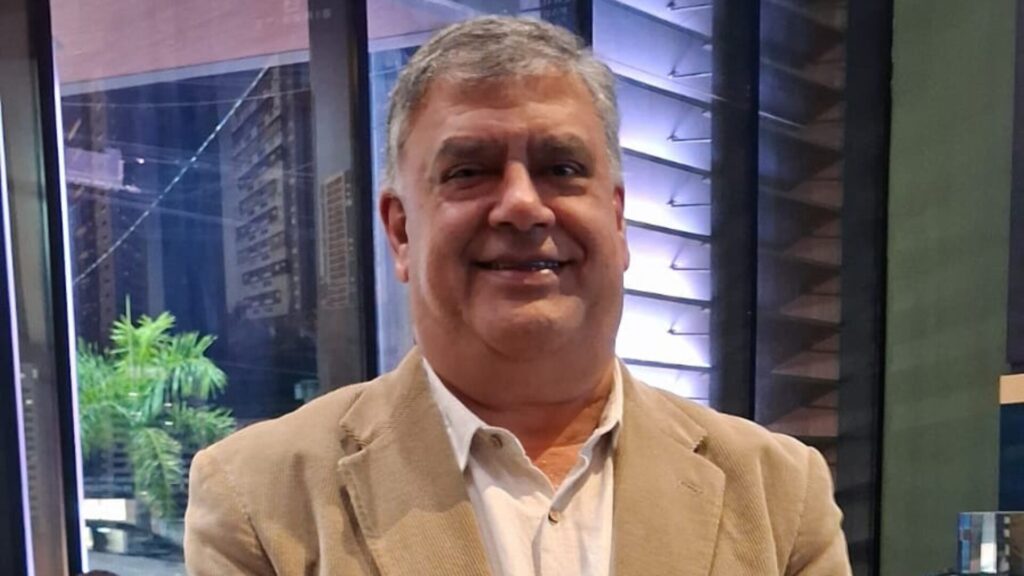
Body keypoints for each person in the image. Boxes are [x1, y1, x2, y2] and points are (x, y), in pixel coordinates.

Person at [184, 16, 852, 576]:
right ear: (401, 231)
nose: (523, 206)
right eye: (468, 171)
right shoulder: (260, 500)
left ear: (617, 219)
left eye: (562, 167)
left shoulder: (779, 494)